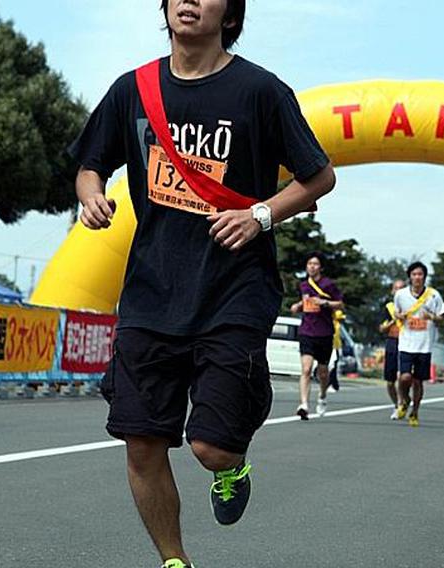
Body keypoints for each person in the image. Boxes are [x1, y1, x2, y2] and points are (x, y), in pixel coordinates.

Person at [68, 2, 336, 565]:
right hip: (150, 292)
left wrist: (260, 215)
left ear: (230, 12)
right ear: (165, 8)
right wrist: (90, 194)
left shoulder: (260, 90)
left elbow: (319, 176)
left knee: (209, 447)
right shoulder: (132, 89)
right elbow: (90, 162)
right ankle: (174, 560)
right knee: (141, 442)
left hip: (233, 290)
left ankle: (233, 461)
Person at [290, 253, 345, 419]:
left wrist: (325, 303)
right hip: (306, 331)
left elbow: (341, 304)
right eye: (309, 264)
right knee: (306, 369)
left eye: (315, 264)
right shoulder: (303, 285)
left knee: (322, 372)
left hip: (325, 333)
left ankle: (322, 396)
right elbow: (299, 305)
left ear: (320, 267)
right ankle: (304, 404)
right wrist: (298, 306)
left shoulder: (328, 284)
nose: (312, 267)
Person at [394, 261, 444, 427]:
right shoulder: (401, 294)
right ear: (409, 276)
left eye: (420, 274)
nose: (417, 277)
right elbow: (396, 313)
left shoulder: (434, 295)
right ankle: (404, 400)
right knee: (404, 377)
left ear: (424, 277)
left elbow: (442, 318)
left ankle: (415, 411)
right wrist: (400, 316)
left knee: (418, 381)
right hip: (406, 343)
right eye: (414, 274)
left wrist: (432, 317)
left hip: (424, 345)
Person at [380, 279, 407, 419]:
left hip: (407, 343)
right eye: (396, 288)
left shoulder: (412, 307)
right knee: (390, 381)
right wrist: (393, 320)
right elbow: (381, 328)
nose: (398, 291)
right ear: (392, 291)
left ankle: (403, 403)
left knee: (401, 376)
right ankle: (396, 404)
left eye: (401, 288)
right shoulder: (388, 307)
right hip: (392, 342)